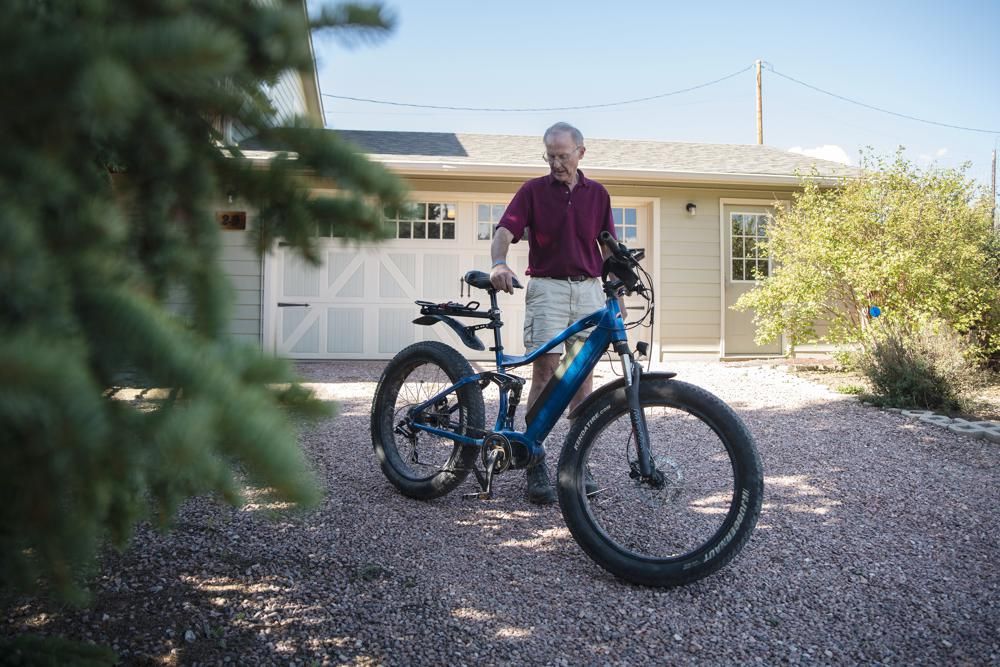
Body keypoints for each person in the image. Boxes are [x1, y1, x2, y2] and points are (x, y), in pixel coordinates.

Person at [490, 122, 618, 505]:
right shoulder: (532, 191)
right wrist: (498, 261)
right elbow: (504, 230)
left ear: (581, 152)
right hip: (547, 288)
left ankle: (578, 463)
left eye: (563, 156)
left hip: (590, 290)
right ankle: (535, 458)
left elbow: (607, 246)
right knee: (545, 371)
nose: (557, 164)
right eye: (551, 157)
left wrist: (616, 291)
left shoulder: (598, 194)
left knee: (582, 379)